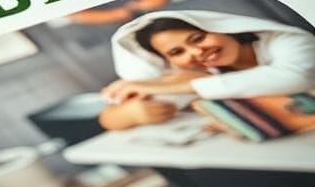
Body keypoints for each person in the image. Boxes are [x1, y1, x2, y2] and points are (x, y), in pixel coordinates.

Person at [98, 10, 315, 130]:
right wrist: (132, 113)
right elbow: (109, 118)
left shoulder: (289, 41)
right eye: (177, 52)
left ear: (223, 29)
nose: (195, 52)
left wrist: (186, 85)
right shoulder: (206, 73)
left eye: (198, 38)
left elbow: (298, 78)